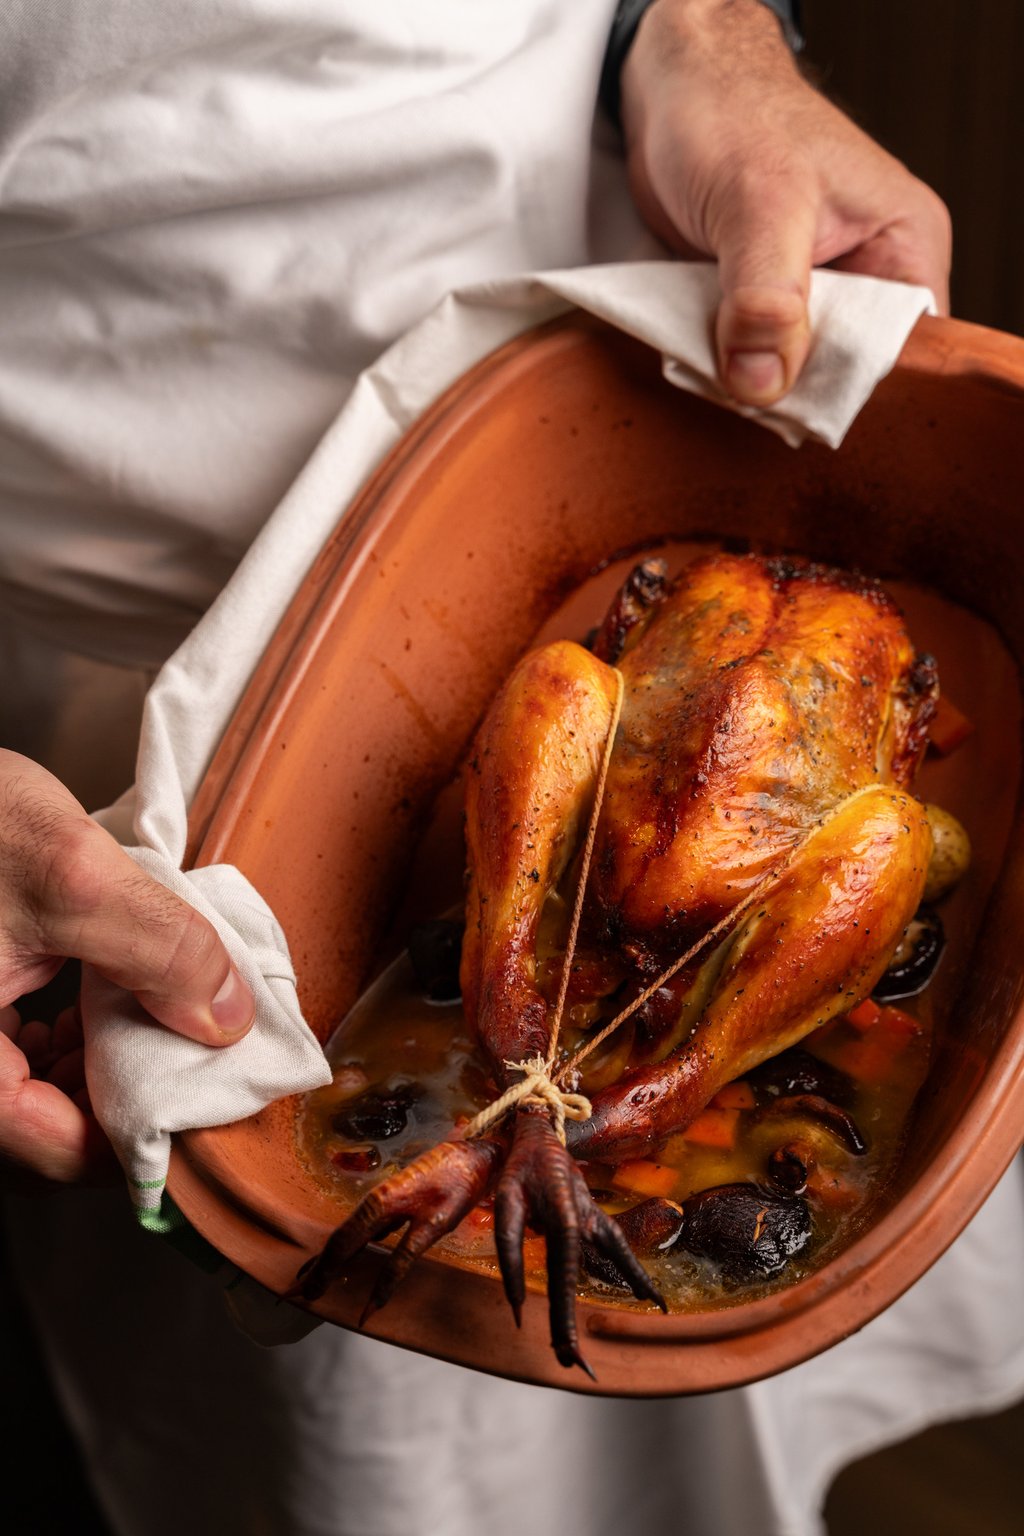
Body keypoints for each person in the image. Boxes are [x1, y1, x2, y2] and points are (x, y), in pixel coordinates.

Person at [1, 3, 958, 1533]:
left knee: (737, 1368)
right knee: (374, 1436)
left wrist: (700, 35)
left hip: (641, 353)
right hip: (123, 701)